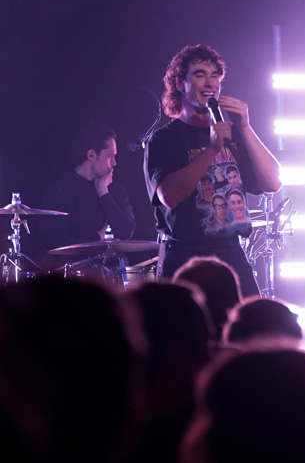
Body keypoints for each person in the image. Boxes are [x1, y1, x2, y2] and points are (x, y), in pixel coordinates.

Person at [144, 44, 282, 297]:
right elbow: (169, 196)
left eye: (215, 76)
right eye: (200, 74)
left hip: (231, 253)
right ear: (179, 83)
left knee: (247, 331)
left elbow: (272, 183)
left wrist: (246, 128)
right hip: (185, 256)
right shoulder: (164, 140)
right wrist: (210, 150)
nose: (210, 83)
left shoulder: (230, 134)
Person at [40, 122, 137, 254]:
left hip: (113, 270)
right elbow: (58, 243)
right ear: (91, 155)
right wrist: (98, 237)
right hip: (76, 271)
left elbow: (126, 233)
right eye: (110, 156)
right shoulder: (59, 193)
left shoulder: (116, 190)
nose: (114, 163)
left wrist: (103, 192)